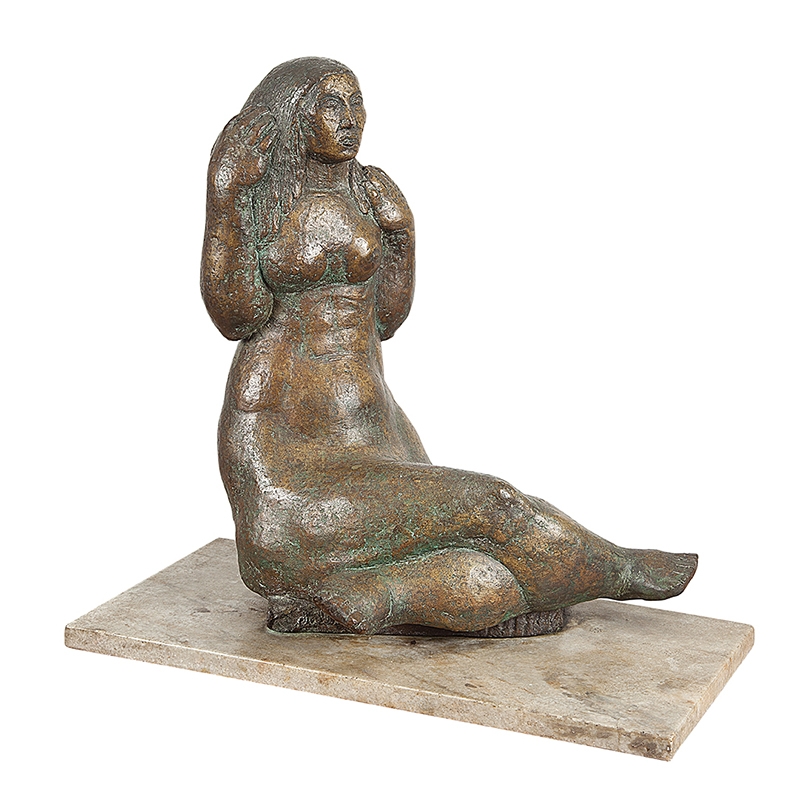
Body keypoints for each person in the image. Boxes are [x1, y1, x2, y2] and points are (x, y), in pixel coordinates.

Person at [201, 57, 697, 635]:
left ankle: (370, 597)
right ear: (292, 115)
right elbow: (236, 315)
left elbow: (385, 318)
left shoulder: (367, 189)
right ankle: (617, 569)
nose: (351, 119)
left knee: (483, 573)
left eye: (357, 104)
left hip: (375, 432)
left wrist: (401, 235)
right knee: (493, 505)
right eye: (332, 105)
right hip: (290, 458)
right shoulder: (259, 192)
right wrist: (226, 193)